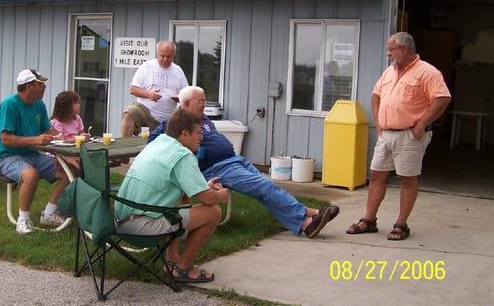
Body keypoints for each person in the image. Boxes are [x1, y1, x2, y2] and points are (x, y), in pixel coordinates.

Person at [150, 86, 340, 239]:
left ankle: (305, 225)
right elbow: (154, 142)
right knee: (263, 185)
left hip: (235, 160)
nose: (204, 105)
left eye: (204, 101)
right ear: (185, 104)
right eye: (200, 101)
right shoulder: (173, 123)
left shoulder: (204, 119)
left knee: (265, 190)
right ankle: (309, 213)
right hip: (216, 168)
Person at [346, 32, 451, 240]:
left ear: (404, 49)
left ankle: (401, 224)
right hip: (386, 135)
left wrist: (422, 123)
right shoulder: (389, 72)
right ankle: (369, 220)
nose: (388, 54)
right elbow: (376, 95)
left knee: (407, 179)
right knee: (376, 175)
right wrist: (378, 123)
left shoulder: (427, 72)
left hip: (409, 135)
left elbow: (442, 98)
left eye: (391, 49)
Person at [115, 109, 229, 283]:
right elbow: (207, 199)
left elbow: (176, 184)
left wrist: (204, 187)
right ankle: (182, 268)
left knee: (183, 198)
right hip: (141, 226)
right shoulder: (182, 156)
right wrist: (222, 195)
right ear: (184, 134)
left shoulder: (158, 143)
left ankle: (172, 258)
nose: (202, 138)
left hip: (121, 220)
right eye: (198, 133)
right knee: (213, 212)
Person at [0, 69, 70, 235]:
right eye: (41, 85)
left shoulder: (39, 104)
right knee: (31, 175)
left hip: (32, 155)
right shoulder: (10, 105)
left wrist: (68, 139)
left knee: (70, 171)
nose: (44, 88)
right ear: (29, 86)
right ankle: (23, 220)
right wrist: (34, 140)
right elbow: (5, 138)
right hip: (6, 157)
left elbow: (47, 131)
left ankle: (49, 212)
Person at [120, 40, 189, 137]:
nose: (165, 59)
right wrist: (149, 95)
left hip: (169, 116)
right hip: (146, 112)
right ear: (157, 53)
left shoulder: (178, 71)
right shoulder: (147, 67)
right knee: (130, 112)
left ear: (173, 56)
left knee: (186, 119)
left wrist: (179, 98)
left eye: (169, 57)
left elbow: (186, 94)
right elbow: (133, 89)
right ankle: (125, 146)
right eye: (162, 56)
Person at [50, 90, 89, 174]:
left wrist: (85, 137)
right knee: (77, 168)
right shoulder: (56, 123)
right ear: (65, 106)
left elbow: (81, 136)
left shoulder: (77, 119)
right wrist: (77, 138)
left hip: (75, 152)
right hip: (60, 155)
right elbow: (60, 143)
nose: (79, 105)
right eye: (75, 103)